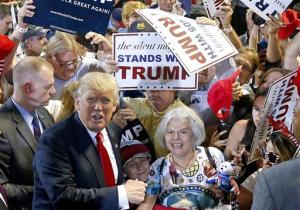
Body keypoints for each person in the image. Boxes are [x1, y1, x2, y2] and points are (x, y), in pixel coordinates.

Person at [32, 72, 147, 210]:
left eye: (105, 100)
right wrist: (121, 194)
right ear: (77, 103)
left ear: (115, 106)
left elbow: (111, 182)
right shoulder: (54, 140)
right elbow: (63, 198)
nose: (98, 107)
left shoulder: (112, 130)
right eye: (91, 99)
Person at [137, 107, 224, 210]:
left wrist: (225, 190)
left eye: (183, 132)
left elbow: (232, 192)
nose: (175, 137)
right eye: (170, 132)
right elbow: (147, 204)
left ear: (194, 134)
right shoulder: (157, 168)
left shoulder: (213, 156)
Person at [0, 56, 56, 210]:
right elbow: (2, 190)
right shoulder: (2, 127)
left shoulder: (45, 115)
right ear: (28, 88)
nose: (53, 91)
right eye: (48, 87)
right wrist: (47, 192)